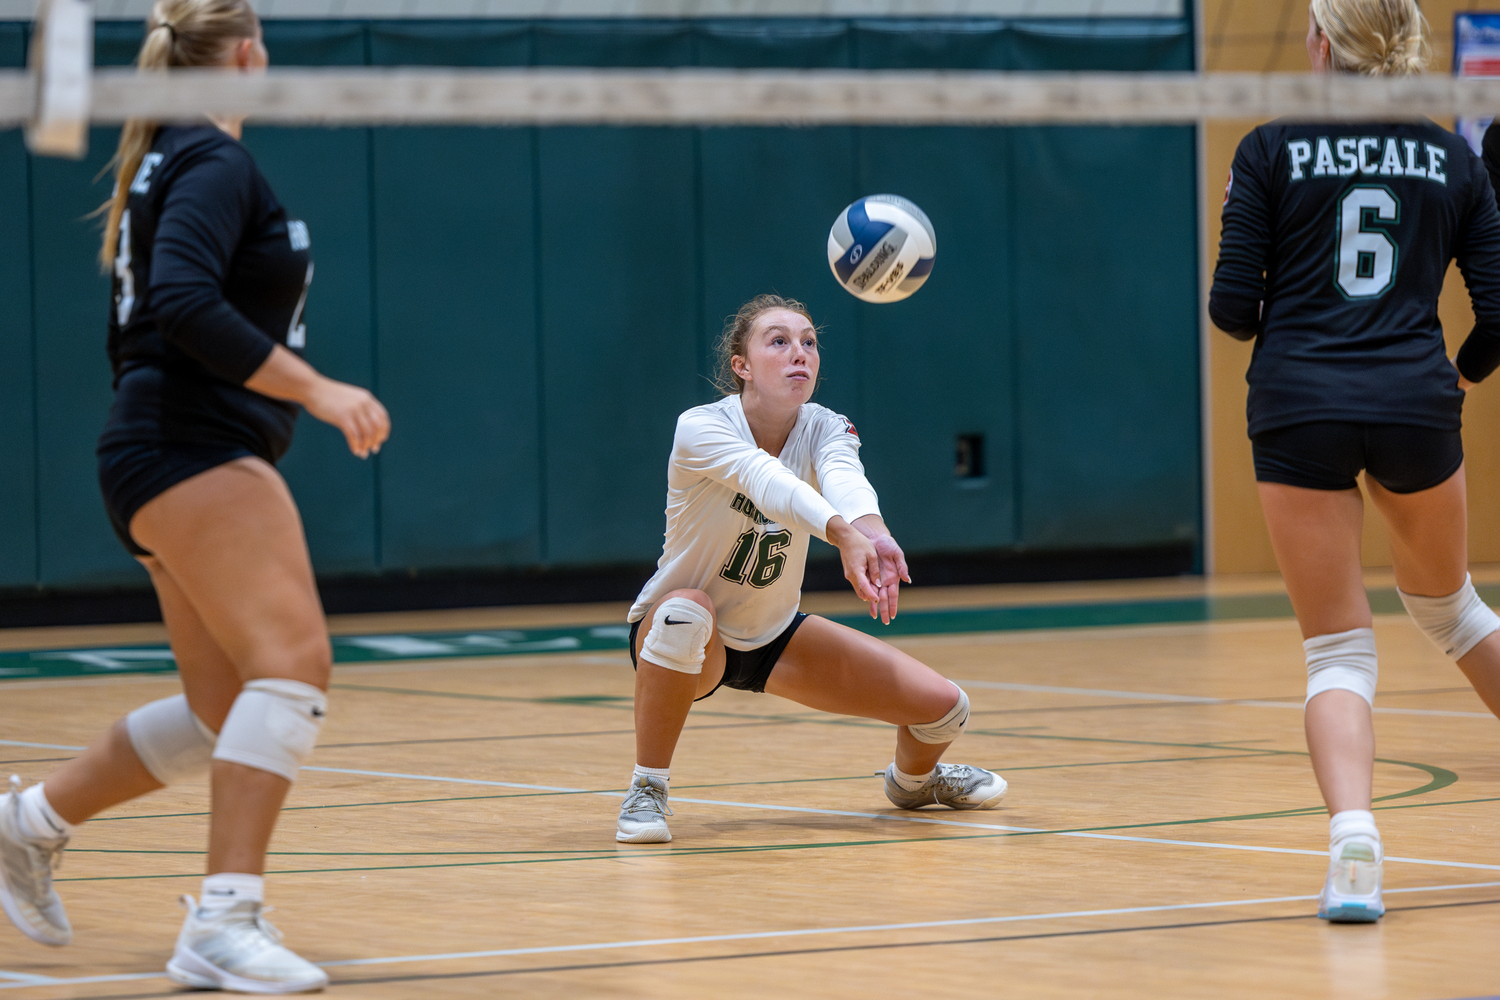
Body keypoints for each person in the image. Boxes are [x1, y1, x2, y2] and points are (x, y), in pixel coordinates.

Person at [0, 0, 389, 991]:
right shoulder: (214, 161)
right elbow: (177, 301)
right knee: (295, 664)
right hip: (187, 445)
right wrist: (319, 388)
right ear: (247, 55)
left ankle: (28, 823)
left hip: (151, 449)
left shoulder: (171, 158)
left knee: (226, 707)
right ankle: (225, 919)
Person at [1210, 0, 1500, 924]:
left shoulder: (1268, 147)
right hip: (1417, 403)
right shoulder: (1456, 156)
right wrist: (1456, 373)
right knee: (1451, 611)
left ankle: (1355, 845)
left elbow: (1230, 311)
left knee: (1338, 649)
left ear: (1322, 44)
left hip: (1298, 409)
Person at [616, 294, 1006, 844]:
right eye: (778, 341)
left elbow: (845, 477)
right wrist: (841, 534)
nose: (799, 352)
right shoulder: (701, 427)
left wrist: (873, 532)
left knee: (945, 709)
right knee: (686, 612)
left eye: (809, 342)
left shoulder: (826, 426)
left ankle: (915, 784)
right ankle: (647, 788)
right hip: (685, 639)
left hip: (772, 635)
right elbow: (768, 483)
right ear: (742, 366)